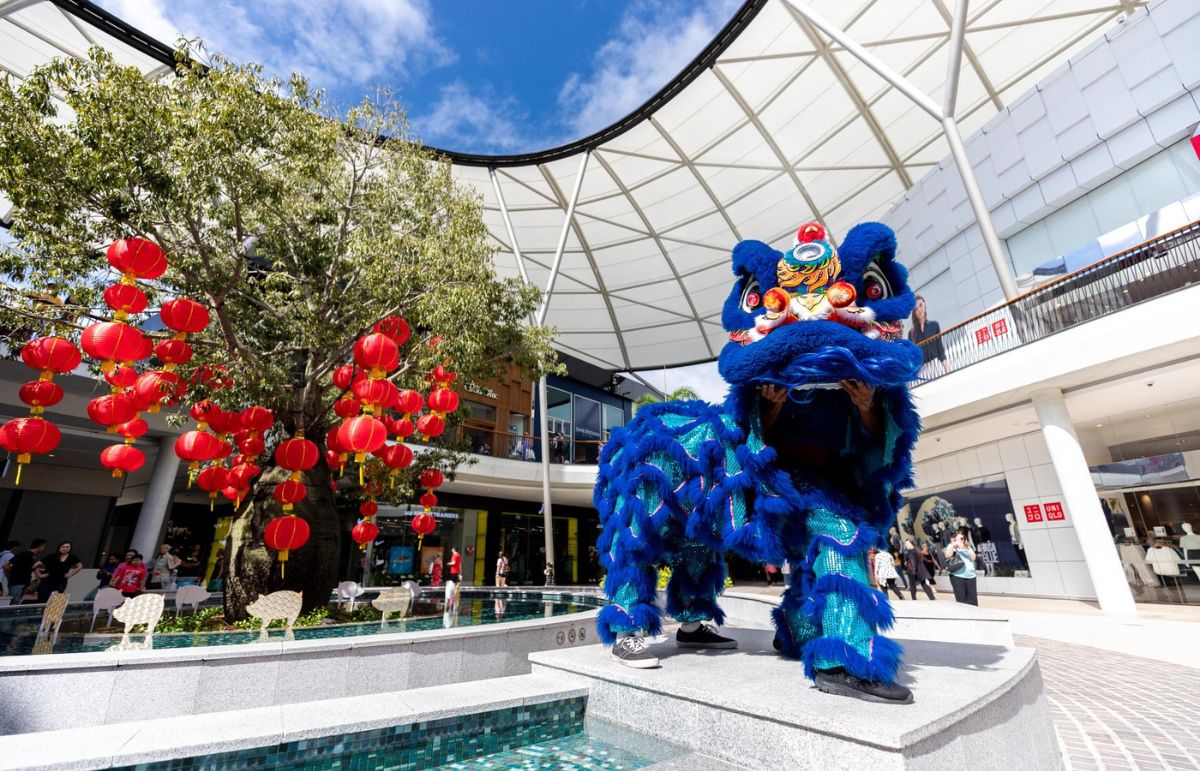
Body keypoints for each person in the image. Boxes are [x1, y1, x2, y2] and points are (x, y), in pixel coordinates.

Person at [908, 295, 947, 380]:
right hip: (922, 371)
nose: (919, 310)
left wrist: (946, 367)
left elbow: (940, 349)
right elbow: (913, 358)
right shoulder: (911, 333)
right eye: (916, 308)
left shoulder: (934, 325)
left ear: (925, 305)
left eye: (921, 305)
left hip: (936, 365)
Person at [943, 528, 978, 606]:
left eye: (962, 538)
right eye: (958, 538)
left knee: (973, 601)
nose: (960, 540)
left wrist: (964, 548)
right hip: (957, 576)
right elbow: (948, 555)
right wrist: (953, 545)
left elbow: (973, 557)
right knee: (962, 601)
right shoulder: (951, 546)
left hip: (971, 576)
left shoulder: (967, 547)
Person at [5, 539, 46, 604]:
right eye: (44, 547)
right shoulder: (25, 554)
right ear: (40, 546)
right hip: (17, 582)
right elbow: (6, 564)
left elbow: (28, 568)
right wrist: (9, 575)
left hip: (23, 582)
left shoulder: (30, 556)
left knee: (17, 601)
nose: (43, 549)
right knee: (14, 602)